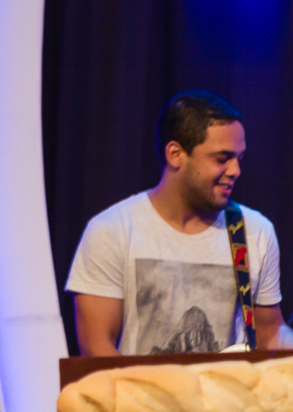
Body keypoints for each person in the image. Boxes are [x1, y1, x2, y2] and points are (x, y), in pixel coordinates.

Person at [66, 90, 293, 356]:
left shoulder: (255, 231)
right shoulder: (112, 231)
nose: (235, 171)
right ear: (175, 154)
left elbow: (269, 336)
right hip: (136, 385)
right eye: (222, 158)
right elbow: (96, 347)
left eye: (239, 158)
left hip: (229, 385)